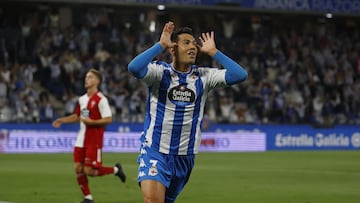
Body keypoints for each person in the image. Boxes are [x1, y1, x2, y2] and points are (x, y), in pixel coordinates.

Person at [128, 21, 248, 203]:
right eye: (186, 43)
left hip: (185, 156)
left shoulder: (204, 77)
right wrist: (159, 45)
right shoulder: (159, 73)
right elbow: (134, 68)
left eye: (194, 43)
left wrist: (215, 53)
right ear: (173, 49)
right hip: (155, 150)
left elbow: (240, 75)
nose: (193, 47)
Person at [52, 68, 126, 203]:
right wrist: (62, 120)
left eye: (90, 77)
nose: (87, 79)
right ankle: (88, 198)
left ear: (97, 81)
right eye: (86, 77)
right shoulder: (82, 99)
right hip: (81, 138)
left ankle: (116, 169)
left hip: (94, 138)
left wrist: (92, 122)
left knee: (89, 171)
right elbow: (77, 116)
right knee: (78, 168)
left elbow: (108, 119)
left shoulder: (101, 99)